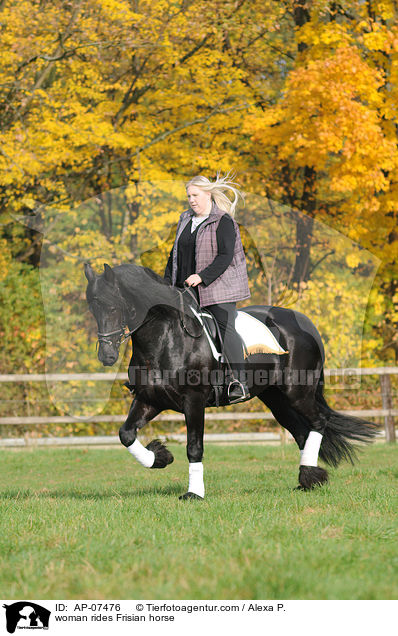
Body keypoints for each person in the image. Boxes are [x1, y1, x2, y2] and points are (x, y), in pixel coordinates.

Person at [164, 173, 251, 403]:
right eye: (188, 196)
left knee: (225, 325)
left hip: (218, 287)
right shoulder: (185, 219)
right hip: (185, 289)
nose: (191, 200)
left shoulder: (223, 221)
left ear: (208, 194)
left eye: (195, 195)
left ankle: (238, 382)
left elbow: (225, 257)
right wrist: (165, 284)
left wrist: (202, 277)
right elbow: (174, 255)